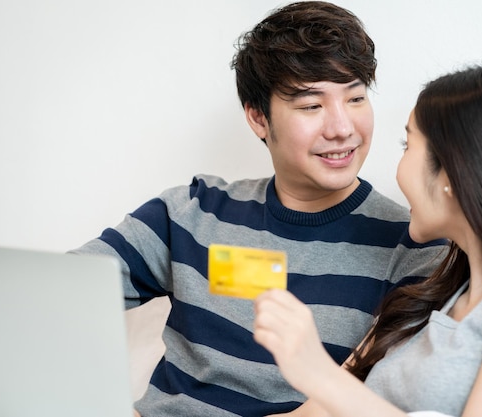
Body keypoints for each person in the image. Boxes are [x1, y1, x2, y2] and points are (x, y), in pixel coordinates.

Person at [71, 2, 446, 416]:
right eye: (311, 106)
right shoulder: (193, 211)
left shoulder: (416, 246)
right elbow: (59, 295)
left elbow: (362, 401)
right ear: (258, 118)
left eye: (355, 97)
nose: (342, 128)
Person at [253, 63, 482, 417]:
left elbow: (335, 393)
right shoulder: (431, 296)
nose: (398, 169)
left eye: (407, 145)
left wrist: (322, 376)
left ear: (454, 172)